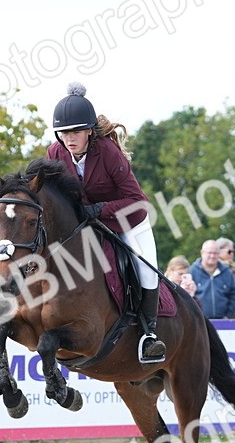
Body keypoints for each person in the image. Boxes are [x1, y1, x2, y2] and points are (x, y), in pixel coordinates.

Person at [46, 81, 165, 362]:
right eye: (63, 132)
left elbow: (138, 203)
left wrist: (99, 209)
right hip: (86, 227)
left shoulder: (108, 153)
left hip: (128, 221)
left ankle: (149, 335)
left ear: (89, 130)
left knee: (146, 270)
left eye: (75, 131)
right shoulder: (55, 153)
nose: (69, 138)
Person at [189, 240, 235, 319]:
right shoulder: (191, 272)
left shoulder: (227, 272)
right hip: (199, 322)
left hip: (223, 322)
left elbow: (234, 295)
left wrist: (228, 315)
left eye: (215, 253)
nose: (212, 256)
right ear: (202, 253)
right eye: (209, 253)